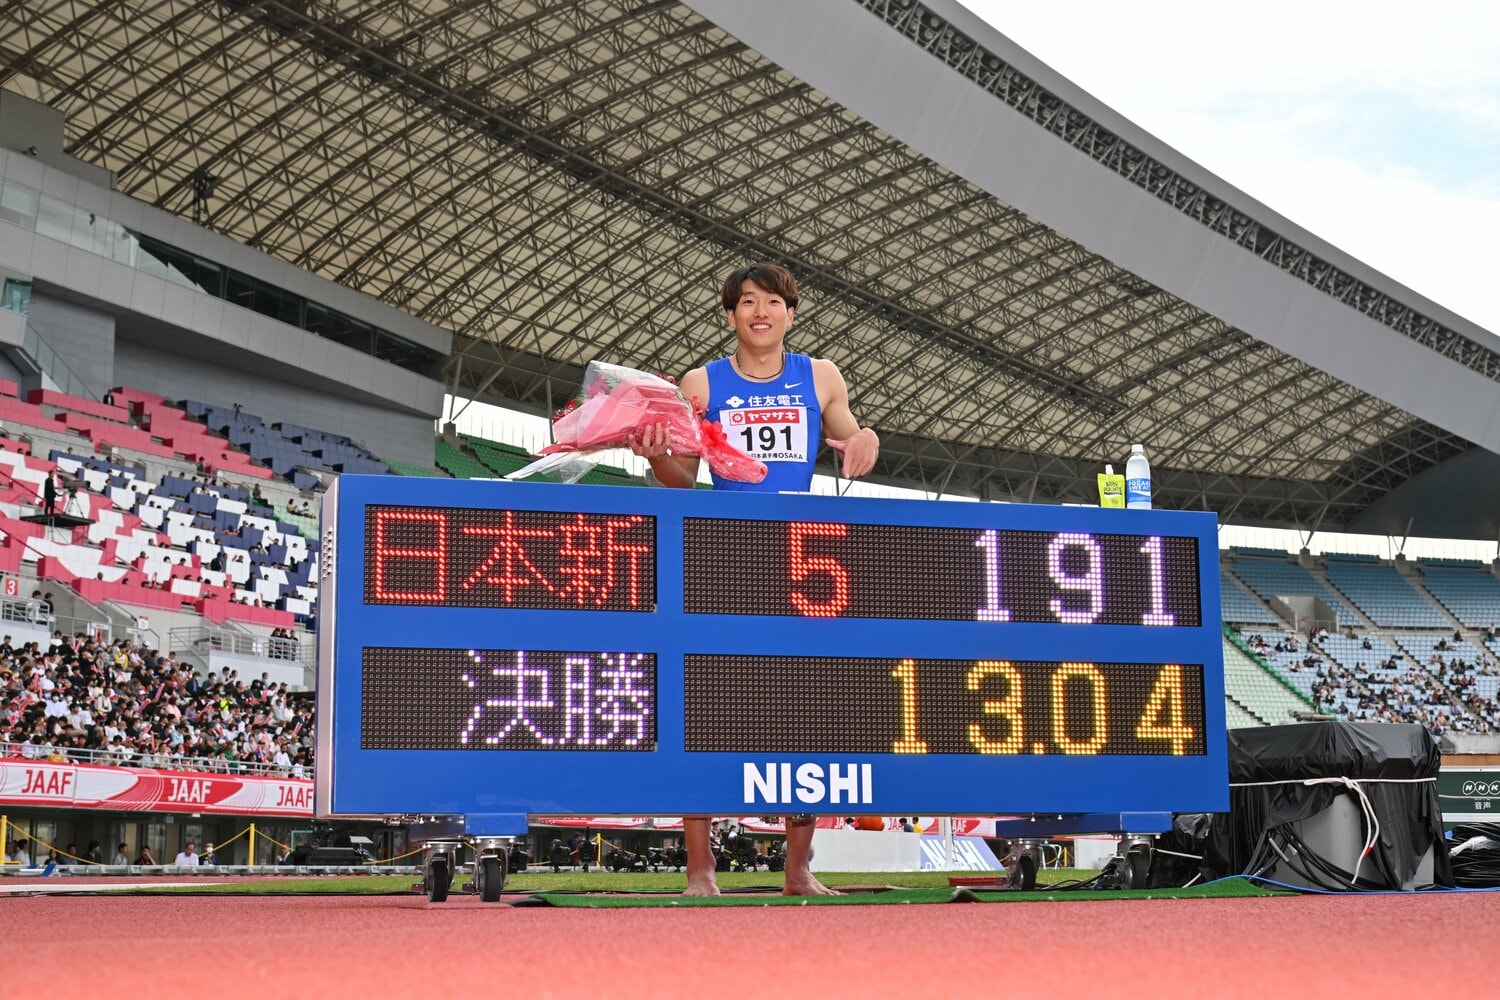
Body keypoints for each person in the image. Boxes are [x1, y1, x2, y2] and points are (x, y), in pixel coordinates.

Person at [632, 262, 879, 896]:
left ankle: (798, 866)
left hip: (800, 561)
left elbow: (850, 437)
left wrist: (865, 440)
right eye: (747, 302)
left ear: (791, 314)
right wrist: (658, 450)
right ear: (730, 314)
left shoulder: (819, 376)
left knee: (802, 713)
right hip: (723, 555)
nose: (761, 312)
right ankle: (700, 868)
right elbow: (681, 479)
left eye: (774, 302)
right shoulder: (701, 383)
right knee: (708, 708)